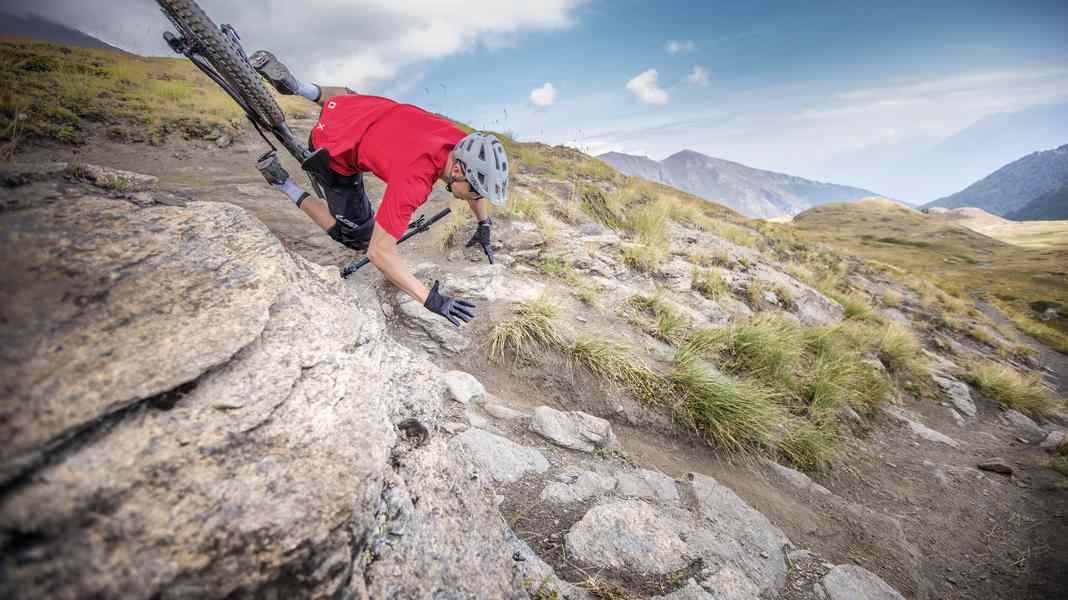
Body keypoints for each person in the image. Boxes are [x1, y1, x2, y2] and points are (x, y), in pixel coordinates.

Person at [249, 50, 509, 328]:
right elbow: (379, 253)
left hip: (354, 107)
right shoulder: (414, 183)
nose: (476, 198)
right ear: (457, 171)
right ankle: (282, 182)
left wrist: (484, 224)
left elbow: (475, 178)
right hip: (331, 147)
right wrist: (430, 300)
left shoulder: (460, 142)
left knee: (354, 96)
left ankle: (297, 86)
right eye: (475, 193)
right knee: (357, 236)